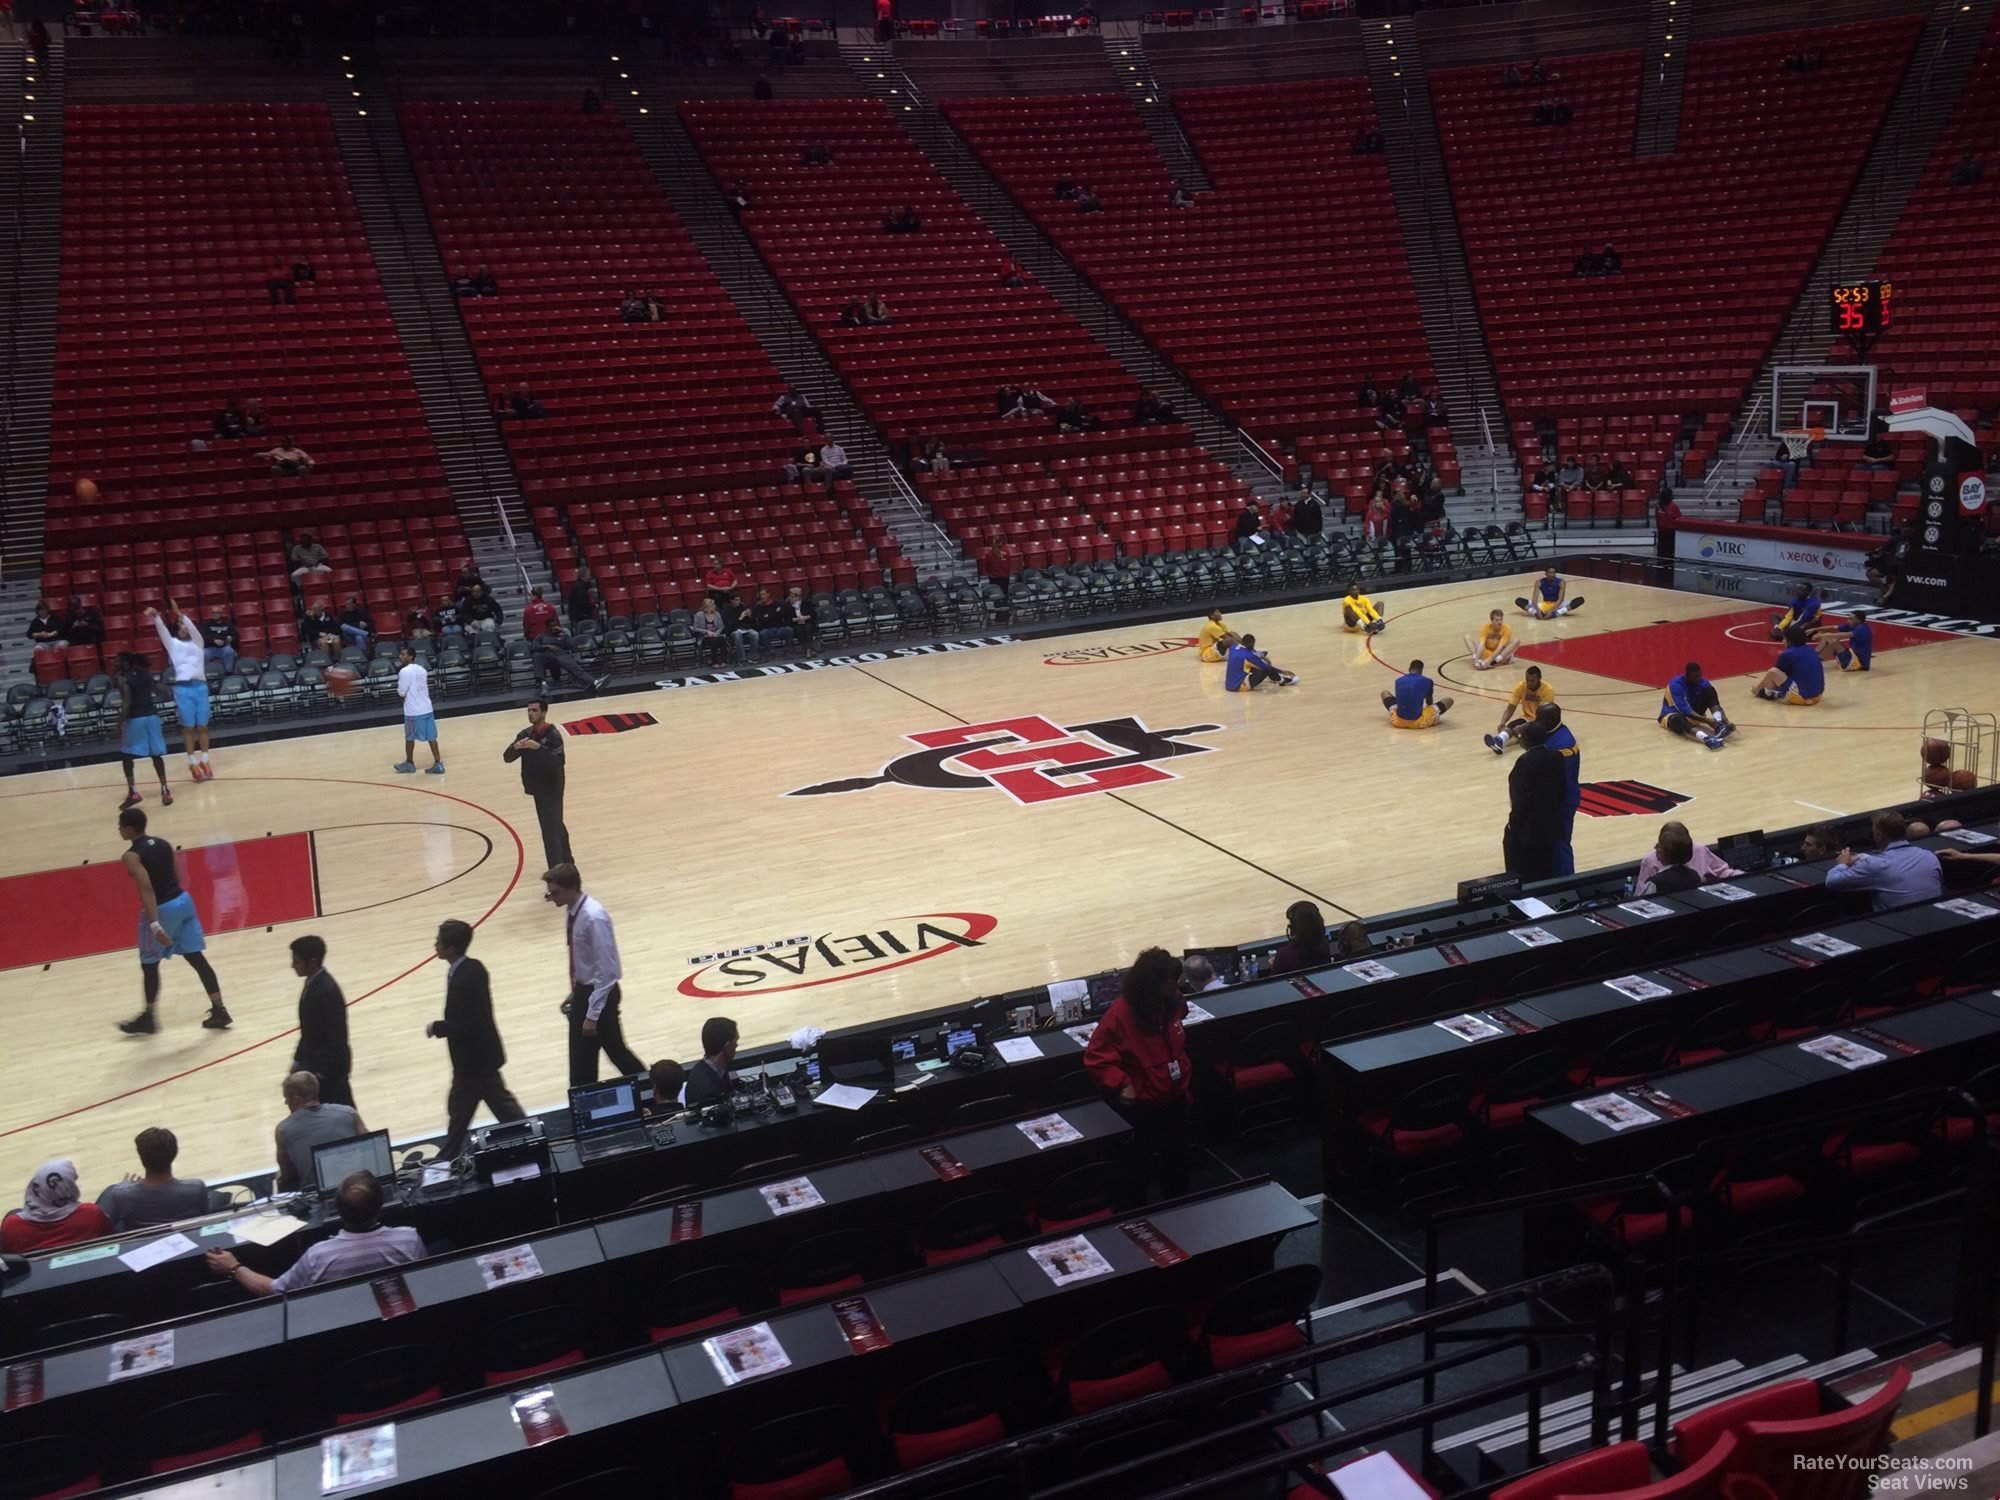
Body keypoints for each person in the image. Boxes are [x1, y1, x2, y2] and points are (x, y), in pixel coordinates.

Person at [1083, 947, 1192, 1201]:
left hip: (1175, 1097)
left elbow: (1179, 1023)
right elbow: (1096, 1056)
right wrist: (1121, 1083)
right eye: (1170, 981)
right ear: (1151, 983)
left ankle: (1179, 1208)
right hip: (1142, 1108)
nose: (1175, 986)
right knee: (1138, 1169)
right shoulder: (1120, 1014)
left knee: (1179, 1161)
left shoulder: (1174, 1000)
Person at [114, 802, 230, 1036]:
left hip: (162, 908)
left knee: (149, 964)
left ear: (130, 829)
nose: (118, 830)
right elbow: (177, 876)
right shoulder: (163, 843)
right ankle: (220, 1010)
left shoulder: (131, 856)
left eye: (121, 826)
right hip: (183, 901)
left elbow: (146, 889)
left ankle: (149, 1017)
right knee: (196, 958)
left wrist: (155, 923)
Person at [206, 1172, 423, 1295]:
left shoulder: (318, 1256)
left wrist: (234, 1268)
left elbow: (274, 1290)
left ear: (338, 1211)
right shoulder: (409, 1239)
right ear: (381, 1205)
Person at [429, 919, 526, 1159]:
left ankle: (446, 1159)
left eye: (439, 942)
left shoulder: (463, 979)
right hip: (479, 1058)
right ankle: (529, 1136)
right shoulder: (474, 967)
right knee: (487, 1107)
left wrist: (438, 1027)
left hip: (473, 1061)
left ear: (451, 948)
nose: (435, 945)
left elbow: (468, 1025)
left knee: (467, 1110)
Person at [546, 863, 645, 1086]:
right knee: (597, 1056)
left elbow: (607, 970)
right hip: (587, 992)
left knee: (604, 1055)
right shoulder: (573, 911)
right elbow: (586, 961)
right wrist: (576, 991)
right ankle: (650, 1087)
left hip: (599, 996)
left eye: (555, 892)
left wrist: (592, 1015)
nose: (551, 897)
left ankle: (652, 1088)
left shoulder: (593, 917)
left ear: (572, 887)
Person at [96, 1128, 212, 1232]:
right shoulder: (196, 1188)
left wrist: (125, 1185)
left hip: (143, 1240)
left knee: (110, 1191)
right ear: (174, 1153)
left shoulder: (121, 1192)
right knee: (216, 1196)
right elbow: (204, 1215)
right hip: (186, 1236)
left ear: (142, 1158)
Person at [1824, 810, 1942, 912]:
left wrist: (1842, 864)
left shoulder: (1875, 865)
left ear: (1879, 835)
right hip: (1936, 918)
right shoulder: (1928, 855)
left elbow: (1832, 881)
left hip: (1901, 924)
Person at [149, 603, 214, 782]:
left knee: (202, 726)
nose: (184, 627)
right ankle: (192, 762)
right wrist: (156, 617)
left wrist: (181, 615)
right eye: (180, 625)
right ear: (177, 629)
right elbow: (162, 631)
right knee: (188, 727)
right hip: (184, 689)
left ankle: (205, 760)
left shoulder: (198, 643)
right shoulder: (173, 645)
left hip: (200, 687)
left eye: (185, 624)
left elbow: (192, 628)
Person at [506, 698, 571, 869]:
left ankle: (556, 876)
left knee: (550, 832)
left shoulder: (552, 734)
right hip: (537, 787)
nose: (530, 714)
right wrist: (516, 747)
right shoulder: (525, 734)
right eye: (528, 710)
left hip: (552, 787)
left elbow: (558, 762)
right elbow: (507, 758)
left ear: (543, 712)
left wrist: (539, 748)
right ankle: (568, 865)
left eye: (534, 710)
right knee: (555, 826)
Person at [272, 1071, 364, 1193]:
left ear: (296, 1099)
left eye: (286, 1098)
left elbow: (288, 1174)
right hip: (357, 1188)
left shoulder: (283, 1130)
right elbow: (367, 1146)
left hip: (318, 1196)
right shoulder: (349, 1113)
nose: (285, 1103)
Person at [2, 1162, 113, 1254]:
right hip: (90, 1272)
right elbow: (112, 1241)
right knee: (114, 1193)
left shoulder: (12, 1226)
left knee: (14, 1212)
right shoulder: (91, 1214)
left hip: (39, 1278)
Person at [1503, 721, 1566, 880]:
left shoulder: (1524, 762)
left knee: (1522, 871)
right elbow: (1563, 791)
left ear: (1527, 740)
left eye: (1521, 736)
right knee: (1546, 868)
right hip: (1551, 824)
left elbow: (1520, 800)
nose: (1520, 739)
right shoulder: (1556, 756)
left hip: (1529, 828)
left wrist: (1513, 825)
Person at [114, 653, 173, 811]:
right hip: (152, 717)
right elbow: (158, 692)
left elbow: (127, 703)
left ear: (126, 663)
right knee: (156, 755)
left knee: (127, 756)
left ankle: (133, 792)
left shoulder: (122, 679)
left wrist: (118, 724)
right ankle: (165, 790)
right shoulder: (146, 675)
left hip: (135, 719)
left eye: (117, 660)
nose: (114, 663)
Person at [1537, 703, 1582, 876]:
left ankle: (1567, 880)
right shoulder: (1554, 733)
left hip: (1562, 801)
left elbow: (1563, 781)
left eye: (1540, 718)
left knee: (1560, 842)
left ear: (1552, 719)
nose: (1537, 721)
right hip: (1557, 799)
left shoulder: (1563, 745)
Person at [1634, 821, 1741, 893]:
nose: (1655, 847)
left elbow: (1723, 872)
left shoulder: (1699, 850)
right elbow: (1641, 898)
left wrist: (1750, 877)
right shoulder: (1650, 862)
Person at [1658, 662, 1734, 749]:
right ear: (1686, 676)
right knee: (1678, 718)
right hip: (1673, 714)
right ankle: (1706, 738)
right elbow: (1684, 710)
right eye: (1694, 678)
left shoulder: (1703, 682)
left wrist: (1726, 722)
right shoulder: (1675, 684)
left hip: (1695, 714)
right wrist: (1706, 721)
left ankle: (1719, 724)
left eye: (1699, 676)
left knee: (1709, 690)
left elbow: (1715, 703)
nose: (1697, 679)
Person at [1484, 665, 1555, 753]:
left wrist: (1524, 726)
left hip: (1542, 721)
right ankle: (1499, 740)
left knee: (1523, 729)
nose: (1529, 683)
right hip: (1527, 718)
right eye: (1527, 680)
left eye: (1532, 681)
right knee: (1514, 725)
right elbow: (1511, 707)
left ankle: (1504, 739)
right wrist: (1503, 722)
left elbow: (1543, 716)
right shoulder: (1521, 686)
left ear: (1540, 678)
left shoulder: (1548, 690)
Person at [1754, 626, 1826, 706]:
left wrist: (1758, 688)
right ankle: (1772, 692)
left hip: (1804, 698)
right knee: (1781, 675)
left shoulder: (1787, 654)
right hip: (1819, 695)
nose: (1782, 641)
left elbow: (1775, 675)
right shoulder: (1811, 650)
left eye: (1784, 639)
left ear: (1790, 640)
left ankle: (1758, 691)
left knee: (1773, 672)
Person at [532, 622, 609, 696]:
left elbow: (571, 646)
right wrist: (547, 646)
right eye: (551, 626)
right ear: (547, 627)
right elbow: (533, 647)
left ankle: (594, 682)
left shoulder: (562, 635)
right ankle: (543, 683)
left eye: (555, 625)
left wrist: (564, 633)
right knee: (536, 655)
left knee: (574, 667)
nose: (554, 627)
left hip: (560, 654)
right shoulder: (541, 636)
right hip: (547, 655)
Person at [684, 1016, 740, 1106]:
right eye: (735, 1041)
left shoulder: (709, 1067)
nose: (737, 1045)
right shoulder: (708, 1092)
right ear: (727, 1046)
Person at [1638, 824, 1706, 896]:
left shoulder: (1654, 884)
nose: (1655, 847)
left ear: (1663, 853)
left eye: (1659, 845)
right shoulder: (1695, 876)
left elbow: (1640, 903)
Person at [1385, 659, 1452, 728]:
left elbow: (1399, 698)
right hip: (1418, 722)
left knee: (1385, 693)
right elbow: (1429, 702)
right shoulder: (1427, 681)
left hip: (1398, 721)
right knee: (1448, 700)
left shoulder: (1398, 681)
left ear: (1409, 669)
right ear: (1421, 670)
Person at [1270, 901, 1331, 974]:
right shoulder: (1325, 947)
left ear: (1294, 928)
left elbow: (1273, 982)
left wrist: (1274, 966)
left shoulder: (1285, 954)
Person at [1225, 633, 1296, 691]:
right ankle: (1281, 680)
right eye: (1253, 644)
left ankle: (1274, 677)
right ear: (1251, 643)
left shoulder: (1234, 648)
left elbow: (1228, 641)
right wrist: (1282, 671)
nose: (1254, 646)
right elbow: (1265, 667)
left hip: (1229, 684)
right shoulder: (1249, 656)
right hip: (1239, 686)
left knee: (1252, 666)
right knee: (1266, 669)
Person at [1517, 565, 1581, 618]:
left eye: (1554, 573)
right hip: (1545, 604)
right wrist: (1537, 610)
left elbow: (1560, 600)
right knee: (1519, 600)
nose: (1552, 574)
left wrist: (1551, 611)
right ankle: (1535, 613)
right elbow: (1534, 599)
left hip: (1558, 605)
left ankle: (1557, 613)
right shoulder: (1539, 582)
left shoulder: (1561, 582)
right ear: (1546, 574)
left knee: (1580, 600)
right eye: (1550, 573)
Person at [691, 597, 729, 666]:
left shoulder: (717, 614)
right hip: (704, 637)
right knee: (714, 641)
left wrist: (716, 633)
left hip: (716, 636)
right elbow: (695, 628)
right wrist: (707, 631)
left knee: (721, 639)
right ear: (707, 607)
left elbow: (721, 626)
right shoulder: (699, 615)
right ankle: (714, 662)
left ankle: (724, 660)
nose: (715, 606)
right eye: (713, 605)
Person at [202, 606, 238, 676]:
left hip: (224, 647)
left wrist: (231, 638)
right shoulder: (206, 625)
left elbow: (235, 635)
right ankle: (204, 674)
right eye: (213, 613)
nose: (215, 614)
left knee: (229, 651)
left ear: (221, 613)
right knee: (202, 654)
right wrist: (214, 640)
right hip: (210, 648)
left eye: (217, 612)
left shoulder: (228, 624)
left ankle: (229, 673)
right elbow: (204, 636)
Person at [783, 586, 818, 652]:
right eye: (790, 596)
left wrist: (805, 617)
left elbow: (813, 615)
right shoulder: (787, 605)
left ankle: (808, 649)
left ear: (798, 597)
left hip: (807, 621)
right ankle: (807, 649)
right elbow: (786, 619)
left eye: (792, 597)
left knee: (808, 628)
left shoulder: (807, 602)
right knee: (798, 630)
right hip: (795, 623)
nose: (790, 598)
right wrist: (796, 619)